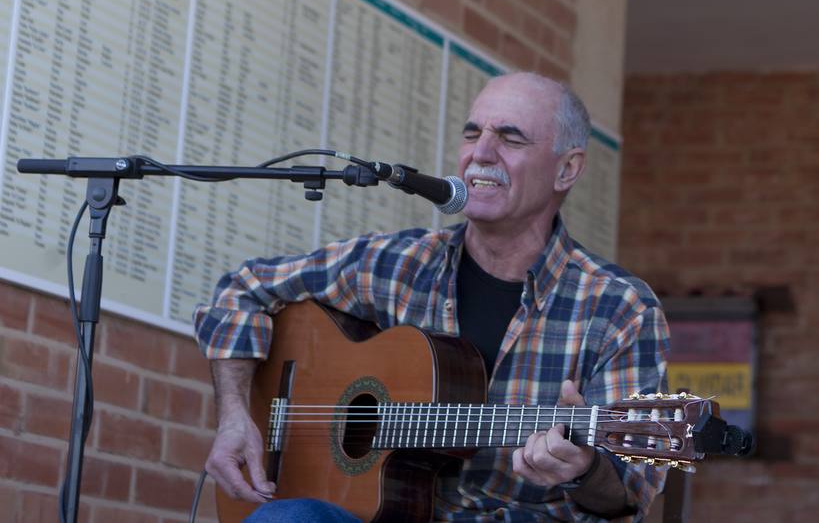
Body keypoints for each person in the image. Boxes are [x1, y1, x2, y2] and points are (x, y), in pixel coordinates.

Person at [193, 72, 669, 521]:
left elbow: (629, 492)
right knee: (290, 516)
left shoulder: (618, 308)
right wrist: (236, 416)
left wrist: (582, 469)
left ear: (567, 169)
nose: (481, 153)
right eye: (471, 134)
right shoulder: (398, 263)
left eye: (510, 137)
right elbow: (241, 291)